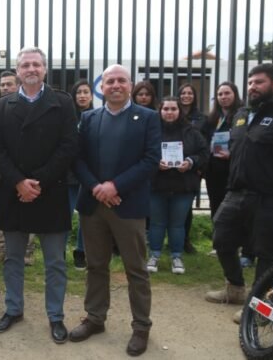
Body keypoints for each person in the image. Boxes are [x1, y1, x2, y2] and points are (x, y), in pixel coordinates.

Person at [205, 64, 273, 318]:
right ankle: (235, 288)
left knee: (266, 252)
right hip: (236, 192)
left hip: (270, 197)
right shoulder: (241, 115)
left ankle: (256, 305)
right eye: (250, 82)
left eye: (259, 82)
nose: (252, 86)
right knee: (221, 239)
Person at [0, 47, 78, 344]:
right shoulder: (2, 106)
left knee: (54, 262)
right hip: (14, 192)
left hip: (49, 191)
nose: (31, 68)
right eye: (25, 64)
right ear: (17, 71)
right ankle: (14, 309)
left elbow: (68, 146)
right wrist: (18, 182)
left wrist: (36, 182)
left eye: (36, 64)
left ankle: (56, 316)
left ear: (45, 69)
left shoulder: (63, 103)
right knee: (13, 258)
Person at [70, 64, 160, 356]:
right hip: (93, 205)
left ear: (130, 85)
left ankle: (141, 327)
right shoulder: (89, 118)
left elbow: (150, 160)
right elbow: (78, 159)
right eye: (110, 81)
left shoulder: (147, 118)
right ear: (102, 86)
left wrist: (115, 187)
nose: (116, 85)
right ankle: (95, 318)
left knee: (136, 269)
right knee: (96, 266)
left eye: (122, 80)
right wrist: (98, 188)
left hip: (128, 205)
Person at [146, 97, 209, 275]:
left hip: (183, 186)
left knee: (177, 225)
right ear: (160, 111)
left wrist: (190, 162)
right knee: (157, 224)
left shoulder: (192, 132)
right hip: (157, 185)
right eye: (166, 109)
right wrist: (155, 162)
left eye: (173, 109)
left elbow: (204, 153)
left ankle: (176, 256)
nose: (169, 112)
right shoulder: (151, 131)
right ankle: (154, 255)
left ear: (179, 111)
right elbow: (142, 152)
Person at [0, 70, 36, 266]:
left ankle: (28, 253)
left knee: (28, 209)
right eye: (3, 84)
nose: (5, 87)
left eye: (9, 84)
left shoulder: (29, 106)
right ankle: (1, 250)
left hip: (24, 170)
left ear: (18, 85)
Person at [201, 82, 242, 257]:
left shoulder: (242, 117)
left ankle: (239, 246)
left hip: (234, 170)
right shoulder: (211, 119)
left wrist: (231, 154)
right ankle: (219, 245)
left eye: (227, 93)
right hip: (214, 171)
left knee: (236, 210)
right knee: (216, 207)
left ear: (235, 95)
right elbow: (202, 141)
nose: (223, 97)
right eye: (220, 94)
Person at [176, 82, 205, 254]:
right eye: (183, 93)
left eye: (190, 93)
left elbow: (206, 143)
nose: (186, 96)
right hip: (168, 169)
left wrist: (199, 164)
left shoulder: (201, 118)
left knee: (186, 208)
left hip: (191, 168)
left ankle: (185, 240)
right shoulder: (171, 114)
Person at [69, 79, 94, 270]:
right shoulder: (67, 117)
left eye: (86, 92)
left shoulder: (98, 116)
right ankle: (58, 252)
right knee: (64, 215)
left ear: (92, 96)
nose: (82, 95)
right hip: (68, 174)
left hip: (89, 174)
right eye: (79, 92)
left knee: (86, 215)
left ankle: (81, 252)